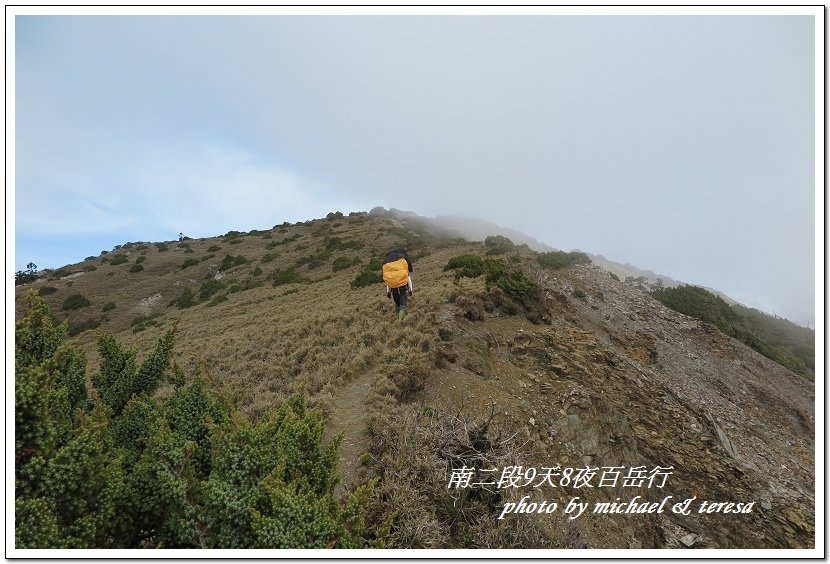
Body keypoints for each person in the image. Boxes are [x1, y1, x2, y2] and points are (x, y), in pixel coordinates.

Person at [381, 248, 413, 321]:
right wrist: (411, 290)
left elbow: (388, 280)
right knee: (403, 305)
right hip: (403, 288)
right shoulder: (403, 263)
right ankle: (400, 320)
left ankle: (398, 317)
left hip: (393, 289)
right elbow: (408, 278)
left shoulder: (388, 265)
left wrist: (388, 292)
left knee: (397, 305)